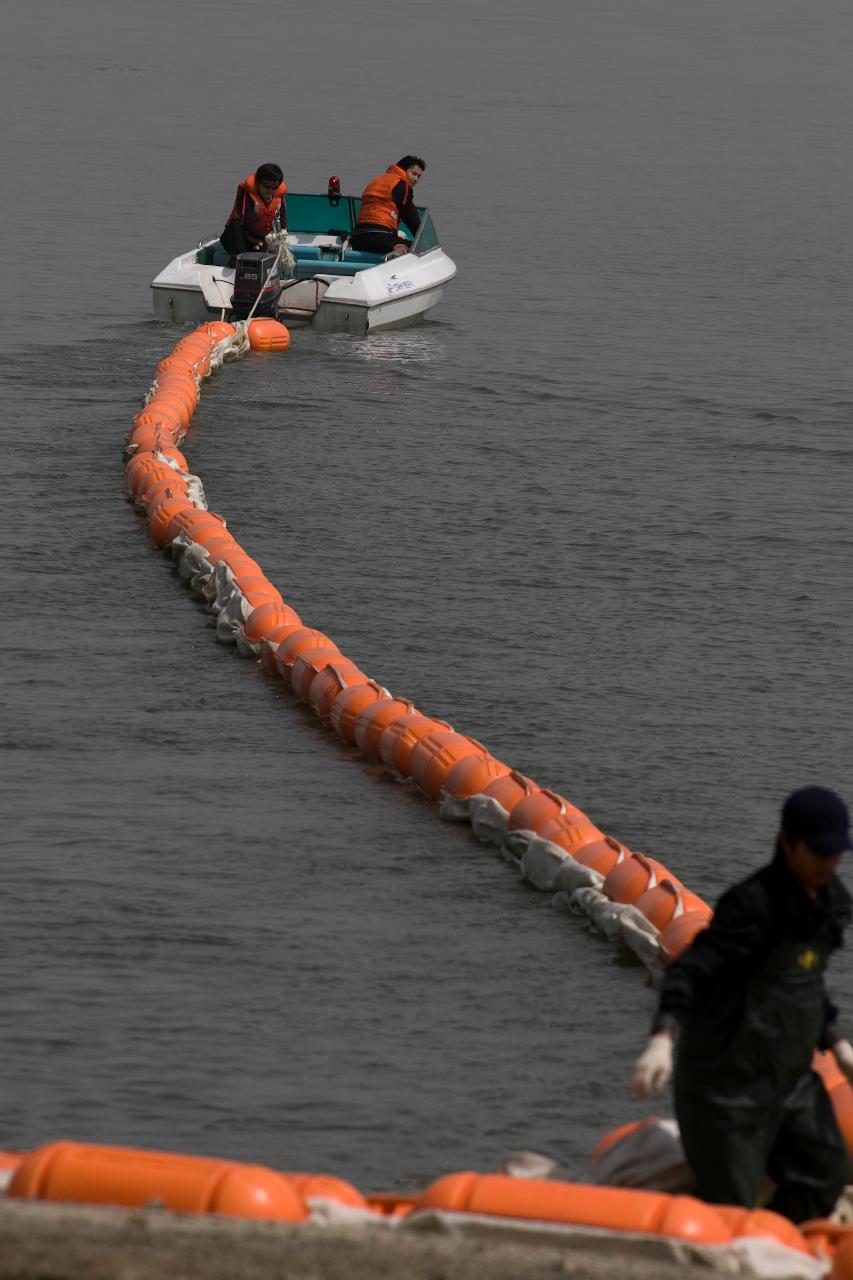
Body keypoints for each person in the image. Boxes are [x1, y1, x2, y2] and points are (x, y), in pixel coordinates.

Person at [631, 786, 853, 1223]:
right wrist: (662, 1037)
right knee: (731, 1207)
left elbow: (804, 982)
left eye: (837, 853)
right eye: (819, 853)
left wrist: (836, 1042)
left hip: (790, 1081)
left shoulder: (833, 905)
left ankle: (783, 1247)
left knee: (824, 1175)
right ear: (788, 843)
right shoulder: (751, 907)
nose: (830, 864)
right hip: (725, 1089)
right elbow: (689, 971)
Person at [350, 156, 426, 258]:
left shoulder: (377, 180)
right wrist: (424, 241)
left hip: (357, 238)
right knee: (416, 248)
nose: (416, 179)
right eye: (413, 174)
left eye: (419, 176)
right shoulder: (402, 185)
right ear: (403, 170)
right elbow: (412, 219)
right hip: (381, 237)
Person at [220, 163, 287, 258]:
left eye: (274, 188)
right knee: (234, 223)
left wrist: (281, 234)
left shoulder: (279, 200)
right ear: (258, 183)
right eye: (266, 186)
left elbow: (283, 222)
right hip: (244, 238)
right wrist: (265, 237)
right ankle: (239, 258)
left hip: (262, 242)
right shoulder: (249, 197)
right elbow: (248, 224)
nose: (270, 191)